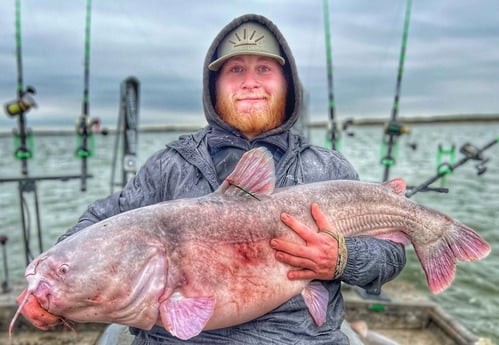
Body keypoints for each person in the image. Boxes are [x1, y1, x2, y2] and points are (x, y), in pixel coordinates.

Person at [59, 13, 406, 344]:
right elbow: (97, 223)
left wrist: (342, 257)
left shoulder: (329, 169)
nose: (250, 82)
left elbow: (390, 257)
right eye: (236, 69)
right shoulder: (171, 165)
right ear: (214, 86)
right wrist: (49, 281)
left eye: (265, 69)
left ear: (287, 84)